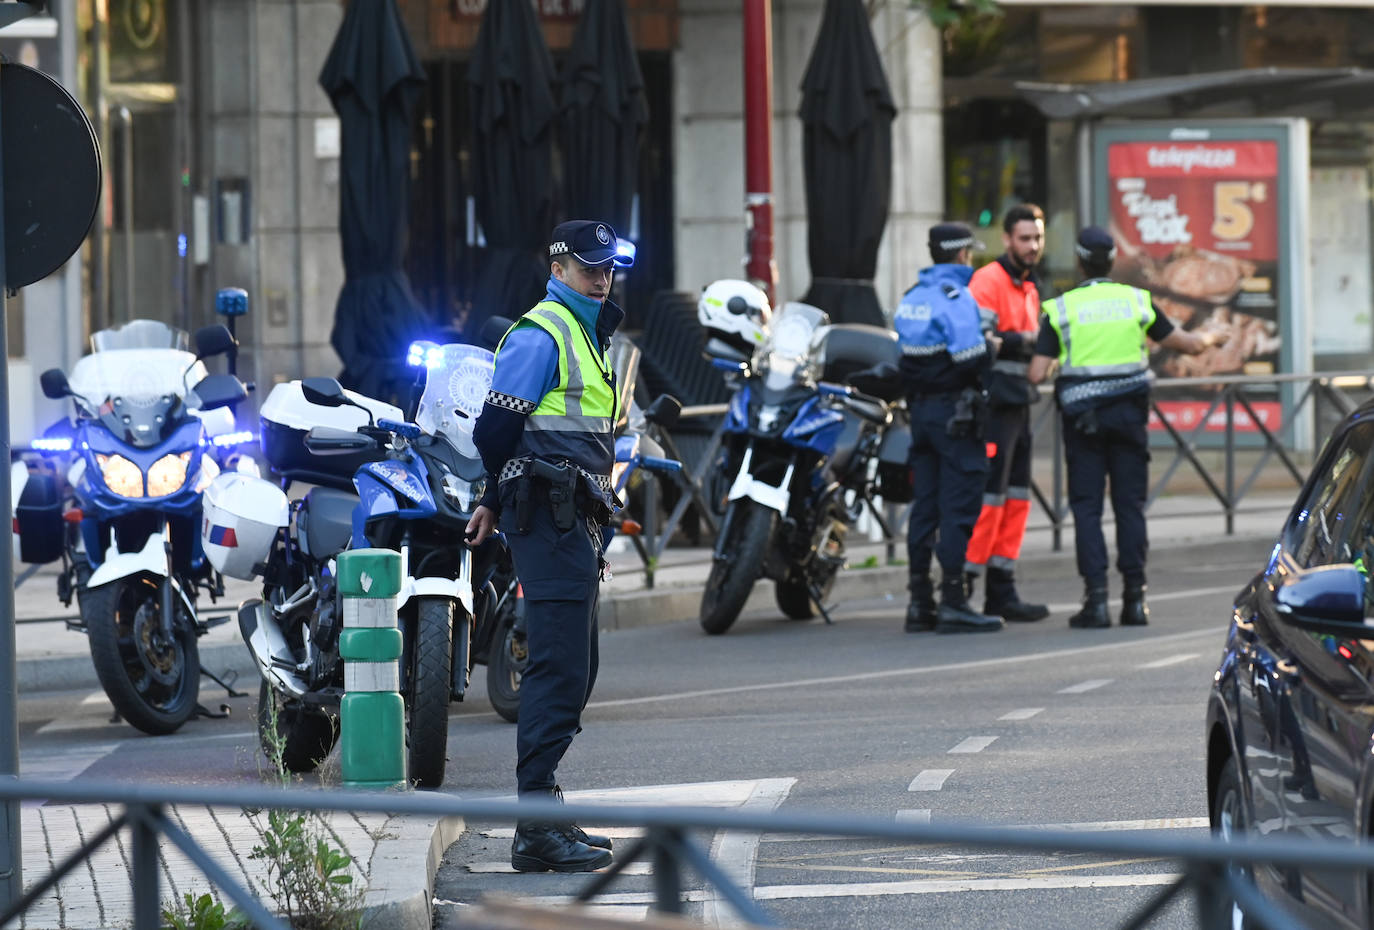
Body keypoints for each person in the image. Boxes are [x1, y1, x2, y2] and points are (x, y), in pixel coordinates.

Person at [467, 219, 632, 872]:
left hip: (574, 517)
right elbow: (495, 430)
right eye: (590, 268)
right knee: (557, 668)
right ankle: (535, 826)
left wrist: (488, 501)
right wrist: (500, 495)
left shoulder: (589, 333)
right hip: (550, 515)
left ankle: (546, 810)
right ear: (557, 268)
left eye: (608, 267)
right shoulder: (543, 332)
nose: (602, 277)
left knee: (576, 667)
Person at [1028, 226, 1223, 628]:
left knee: (1086, 508)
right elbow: (1186, 344)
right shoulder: (1137, 301)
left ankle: (1096, 602)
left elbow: (1035, 374)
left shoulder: (1061, 308)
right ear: (1113, 261)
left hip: (1083, 423)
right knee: (1128, 506)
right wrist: (1211, 336)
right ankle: (1135, 601)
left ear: (1080, 263)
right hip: (1129, 418)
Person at [894, 223, 1004, 634]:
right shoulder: (956, 298)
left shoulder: (912, 298)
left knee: (925, 506)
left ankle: (919, 601)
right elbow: (970, 357)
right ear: (961, 255)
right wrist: (993, 346)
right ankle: (954, 600)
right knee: (957, 509)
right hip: (955, 418)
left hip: (920, 417)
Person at [965, 203, 1050, 623]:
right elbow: (980, 341)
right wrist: (1028, 342)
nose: (1032, 246)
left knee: (1016, 500)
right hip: (993, 406)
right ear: (1007, 240)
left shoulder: (1029, 287)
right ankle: (963, 588)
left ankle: (1002, 588)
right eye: (1024, 238)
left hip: (1019, 405)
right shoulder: (989, 280)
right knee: (989, 500)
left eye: (1037, 238)